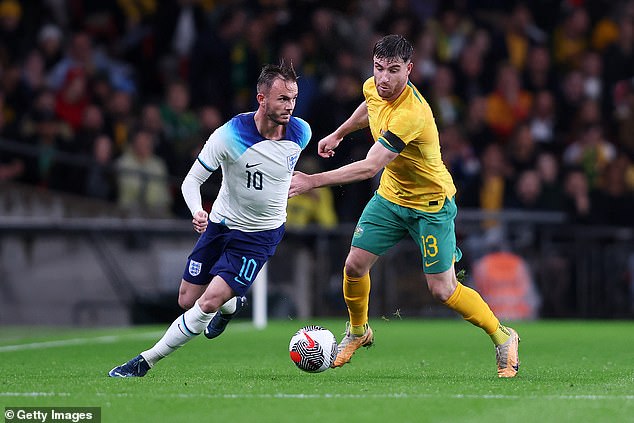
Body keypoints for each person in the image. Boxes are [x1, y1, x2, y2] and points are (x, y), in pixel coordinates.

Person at [289, 34, 520, 378]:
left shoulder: (412, 114)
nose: (383, 78)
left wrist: (312, 180)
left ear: (409, 70)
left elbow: (370, 166)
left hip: (430, 205)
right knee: (354, 266)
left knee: (442, 289)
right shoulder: (374, 86)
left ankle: (503, 337)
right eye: (379, 68)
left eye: (393, 70)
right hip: (391, 197)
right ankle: (357, 332)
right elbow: (369, 106)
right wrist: (339, 133)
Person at [109, 61, 311, 377]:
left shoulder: (301, 133)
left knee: (207, 302)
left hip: (259, 236)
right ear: (261, 99)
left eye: (293, 99)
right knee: (187, 298)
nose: (290, 107)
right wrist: (197, 212)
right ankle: (233, 305)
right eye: (282, 99)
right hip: (219, 225)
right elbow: (191, 182)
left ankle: (144, 361)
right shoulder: (228, 135)